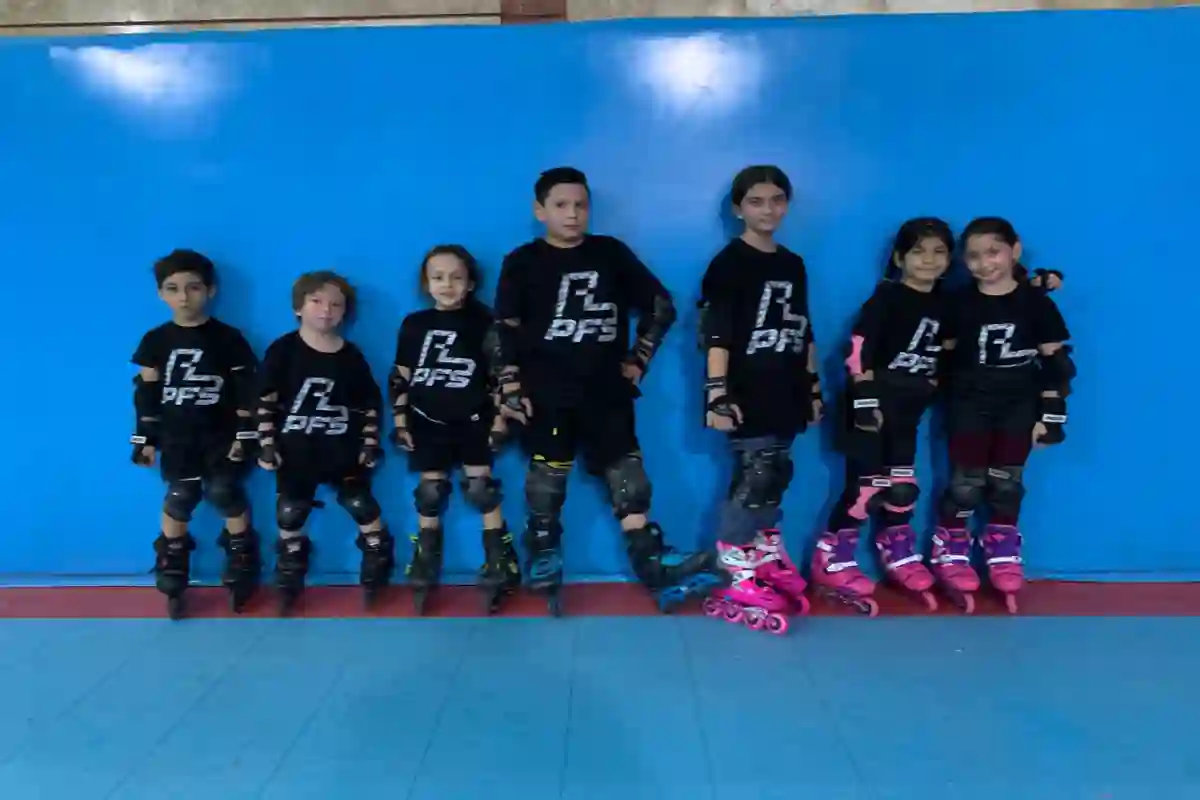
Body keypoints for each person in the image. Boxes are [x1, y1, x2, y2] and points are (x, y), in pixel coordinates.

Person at [488, 166, 718, 615]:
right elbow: (503, 330)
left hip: (606, 391)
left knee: (629, 481)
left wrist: (639, 360)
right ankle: (544, 556)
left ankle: (653, 561)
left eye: (581, 205)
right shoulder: (523, 260)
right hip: (548, 392)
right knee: (547, 482)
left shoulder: (610, 253)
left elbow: (660, 307)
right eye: (561, 205)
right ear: (540, 210)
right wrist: (510, 385)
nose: (572, 214)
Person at [696, 165, 821, 635]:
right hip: (745, 389)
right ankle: (734, 564)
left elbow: (804, 328)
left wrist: (812, 387)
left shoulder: (793, 264)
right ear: (738, 209)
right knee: (755, 475)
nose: (768, 210)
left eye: (776, 200)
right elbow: (716, 334)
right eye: (756, 201)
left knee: (778, 473)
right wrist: (717, 394)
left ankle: (765, 552)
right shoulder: (728, 263)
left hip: (786, 386)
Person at [935, 217, 1073, 613]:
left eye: (993, 252)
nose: (984, 263)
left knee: (1007, 483)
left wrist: (1052, 413)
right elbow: (944, 356)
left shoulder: (1037, 303)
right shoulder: (959, 303)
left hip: (1018, 405)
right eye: (974, 256)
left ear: (1015, 250)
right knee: (966, 484)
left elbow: (1056, 363)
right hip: (968, 404)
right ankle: (951, 544)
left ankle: (1002, 546)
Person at [388, 245, 520, 615]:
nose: (447, 284)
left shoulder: (486, 322)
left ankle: (499, 560)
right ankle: (425, 559)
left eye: (457, 277)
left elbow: (501, 377)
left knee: (482, 489)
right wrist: (400, 423)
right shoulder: (414, 325)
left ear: (471, 282)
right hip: (426, 420)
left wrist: (500, 422)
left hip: (474, 420)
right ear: (426, 283)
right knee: (430, 493)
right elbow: (400, 378)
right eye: (438, 277)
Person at [130, 249, 260, 619]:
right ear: (161, 294)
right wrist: (143, 440)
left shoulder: (229, 339)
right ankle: (172, 562)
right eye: (173, 289)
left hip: (221, 436)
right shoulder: (155, 341)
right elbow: (146, 395)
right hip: (177, 437)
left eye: (193, 288)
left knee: (224, 492)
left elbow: (246, 393)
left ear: (211, 290)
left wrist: (245, 436)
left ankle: (241, 556)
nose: (184, 297)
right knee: (181, 496)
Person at [255, 271, 392, 615]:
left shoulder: (351, 356)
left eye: (336, 304)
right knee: (291, 512)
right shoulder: (283, 350)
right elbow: (265, 400)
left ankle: (377, 560)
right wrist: (266, 443)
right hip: (295, 449)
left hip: (342, 449)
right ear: (298, 307)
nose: (326, 310)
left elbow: (369, 404)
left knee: (361, 504)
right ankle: (289, 573)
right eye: (316, 301)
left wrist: (370, 443)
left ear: (345, 312)